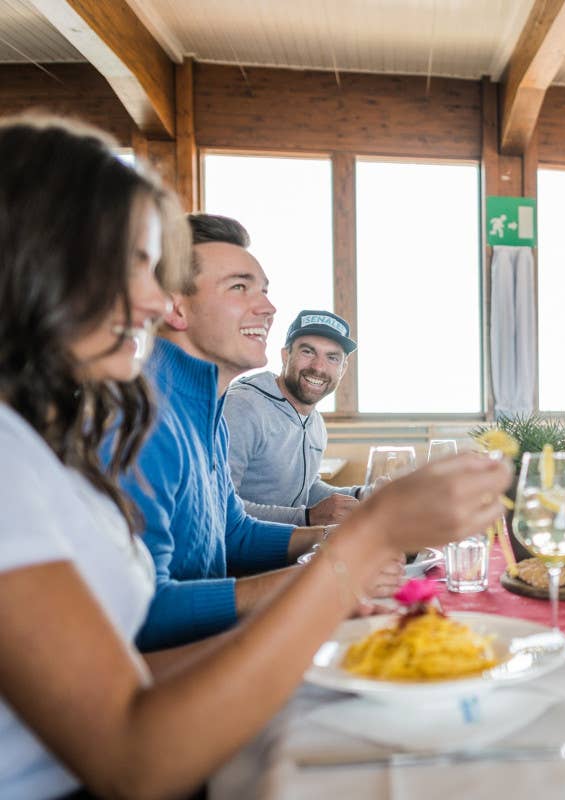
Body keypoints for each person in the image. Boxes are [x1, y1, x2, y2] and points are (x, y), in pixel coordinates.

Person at [0, 115, 511, 798]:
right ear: (40, 258)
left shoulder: (49, 432)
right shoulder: (102, 427)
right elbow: (132, 752)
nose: (155, 301)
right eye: (132, 266)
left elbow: (135, 655)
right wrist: (358, 546)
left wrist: (325, 590)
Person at [118, 214, 365, 650]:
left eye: (264, 291)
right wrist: (326, 578)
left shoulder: (208, 413)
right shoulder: (142, 421)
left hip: (212, 647)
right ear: (176, 307)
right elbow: (140, 613)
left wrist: (346, 539)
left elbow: (234, 534)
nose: (268, 308)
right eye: (239, 287)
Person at [224, 309, 363, 526]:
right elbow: (219, 506)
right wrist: (307, 518)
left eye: (332, 358)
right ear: (285, 355)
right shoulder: (243, 406)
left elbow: (305, 488)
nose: (318, 367)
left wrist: (361, 495)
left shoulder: (315, 421)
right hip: (239, 558)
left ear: (343, 369)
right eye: (308, 352)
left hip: (287, 548)